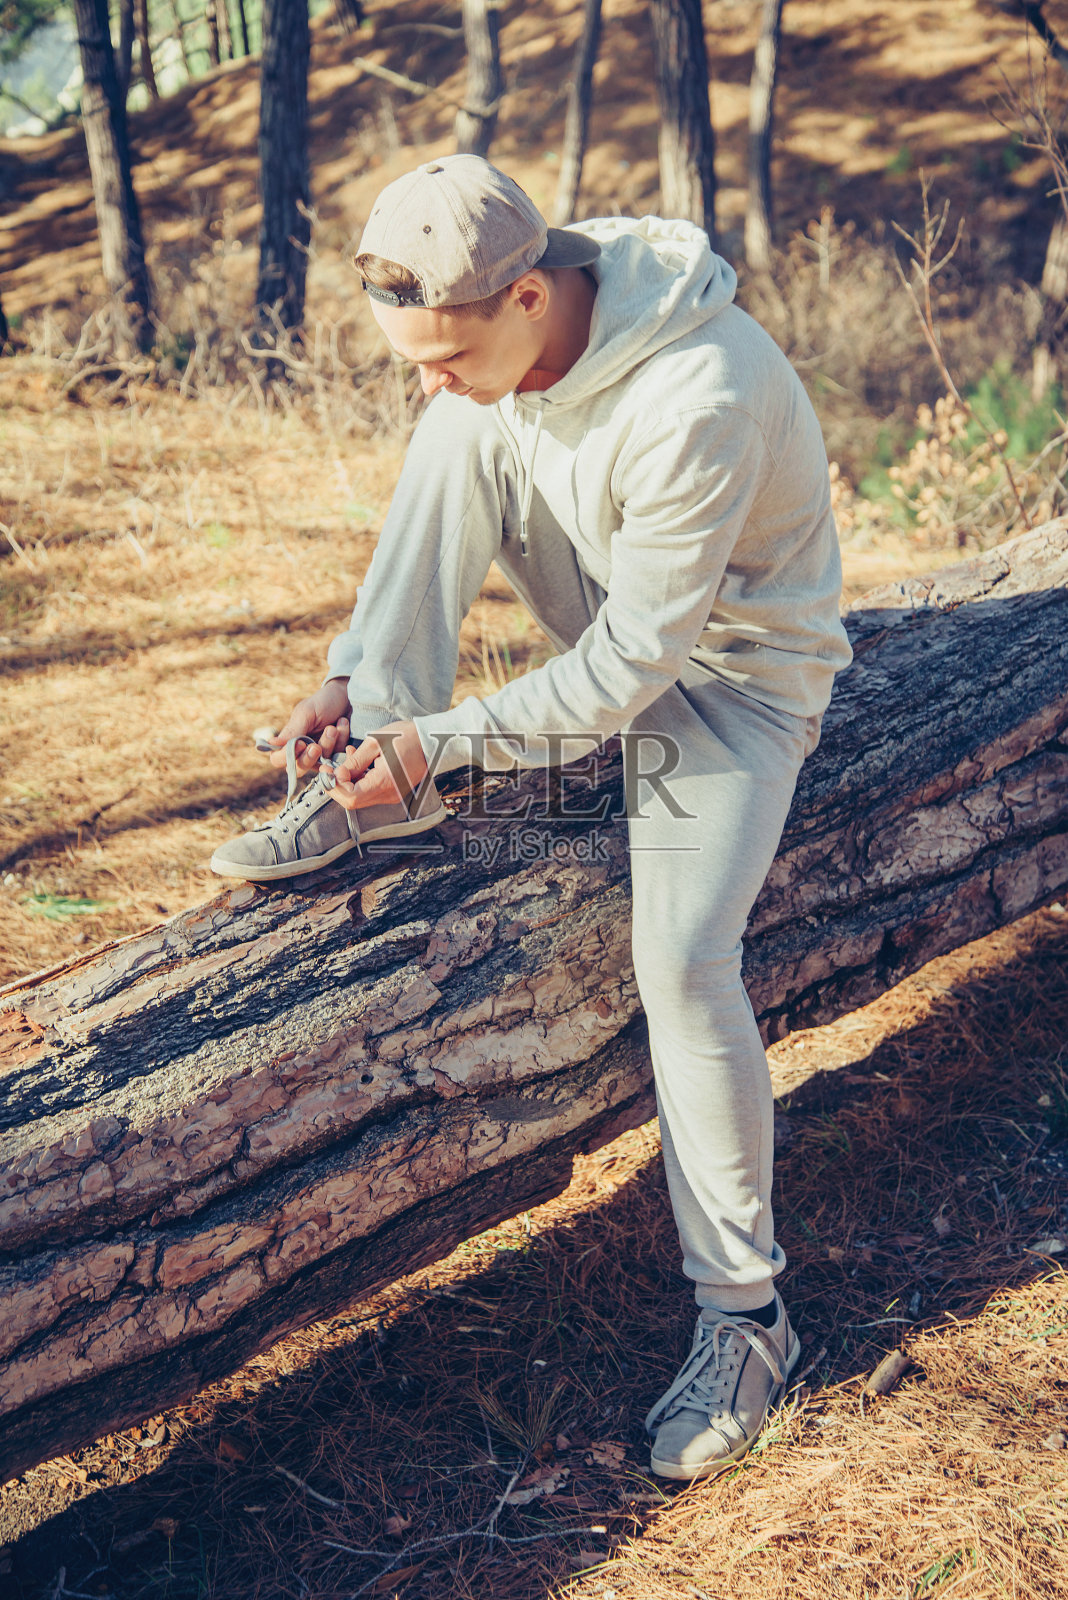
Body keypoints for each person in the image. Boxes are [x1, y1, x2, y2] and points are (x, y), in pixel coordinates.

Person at [210, 155, 853, 1481]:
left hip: (729, 686)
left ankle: (748, 1320)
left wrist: (446, 750)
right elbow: (478, 447)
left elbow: (627, 676)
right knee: (459, 435)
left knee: (683, 963)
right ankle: (366, 753)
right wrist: (364, 689)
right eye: (412, 356)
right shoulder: (504, 333)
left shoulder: (703, 390)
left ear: (527, 295)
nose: (427, 378)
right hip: (616, 617)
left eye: (446, 354)